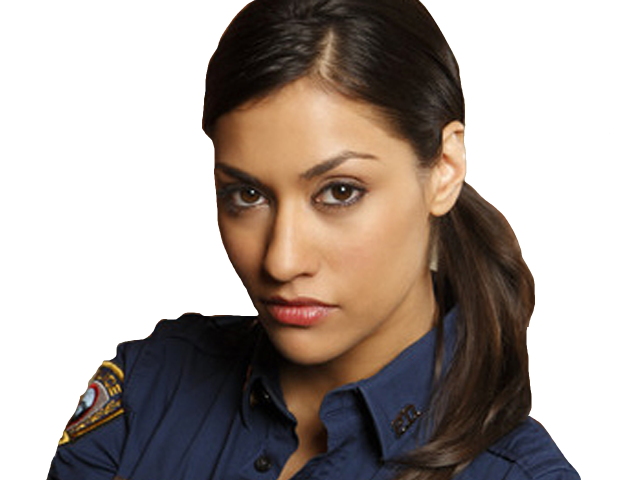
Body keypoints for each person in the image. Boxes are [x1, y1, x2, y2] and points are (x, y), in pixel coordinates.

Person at [48, 0, 580, 479]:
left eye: (340, 192)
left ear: (445, 168)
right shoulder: (149, 388)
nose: (281, 261)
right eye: (247, 195)